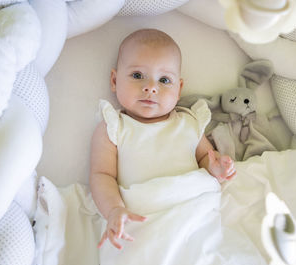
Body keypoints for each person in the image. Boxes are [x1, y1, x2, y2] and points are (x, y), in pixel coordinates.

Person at [89, 28, 236, 251]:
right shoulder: (114, 127)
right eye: (138, 75)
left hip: (194, 209)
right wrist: (114, 210)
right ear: (114, 80)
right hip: (144, 215)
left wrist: (216, 168)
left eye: (164, 79)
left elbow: (206, 160)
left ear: (179, 90)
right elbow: (102, 175)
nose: (151, 87)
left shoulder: (189, 123)